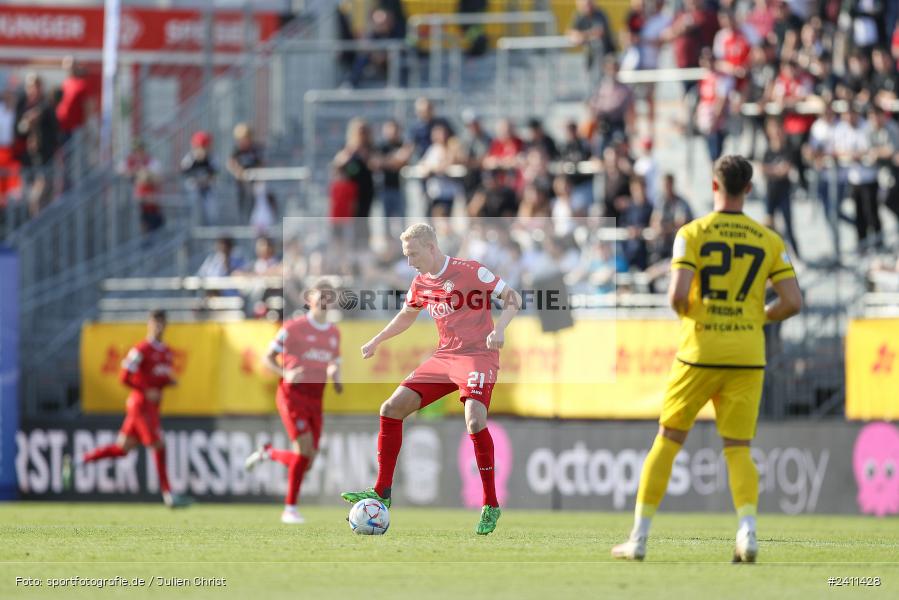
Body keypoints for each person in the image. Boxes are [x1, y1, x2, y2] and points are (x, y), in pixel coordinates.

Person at [612, 155, 802, 562]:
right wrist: (755, 318)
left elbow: (677, 296)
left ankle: (639, 538)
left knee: (668, 440)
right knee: (738, 448)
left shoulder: (692, 232)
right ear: (749, 189)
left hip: (700, 352)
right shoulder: (769, 239)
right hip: (748, 355)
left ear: (714, 186)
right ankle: (747, 532)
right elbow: (792, 301)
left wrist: (703, 319)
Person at [341, 223, 522, 535]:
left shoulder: (471, 271)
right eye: (406, 255)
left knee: (474, 421)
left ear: (431, 248)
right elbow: (406, 316)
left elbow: (513, 298)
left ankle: (491, 504)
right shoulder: (419, 283)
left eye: (412, 254)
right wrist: (377, 340)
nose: (409, 261)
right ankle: (382, 491)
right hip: (444, 357)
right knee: (391, 409)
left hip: (478, 354)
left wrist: (500, 329)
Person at [245, 280, 343, 524]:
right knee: (304, 453)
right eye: (320, 296)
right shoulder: (293, 328)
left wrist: (335, 375)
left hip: (315, 400)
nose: (324, 301)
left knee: (306, 462)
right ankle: (290, 509)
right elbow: (268, 358)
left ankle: (269, 453)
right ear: (309, 299)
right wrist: (285, 374)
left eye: (328, 297)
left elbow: (334, 361)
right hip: (292, 397)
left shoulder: (333, 333)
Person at [70, 311, 191, 508]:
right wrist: (146, 390)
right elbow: (124, 376)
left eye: (162, 323)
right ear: (149, 325)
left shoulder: (167, 352)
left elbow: (156, 378)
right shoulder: (141, 349)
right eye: (155, 323)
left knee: (122, 449)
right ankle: (168, 494)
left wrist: (168, 382)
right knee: (159, 445)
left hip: (150, 408)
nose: (159, 327)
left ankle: (80, 461)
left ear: (166, 325)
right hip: (140, 405)